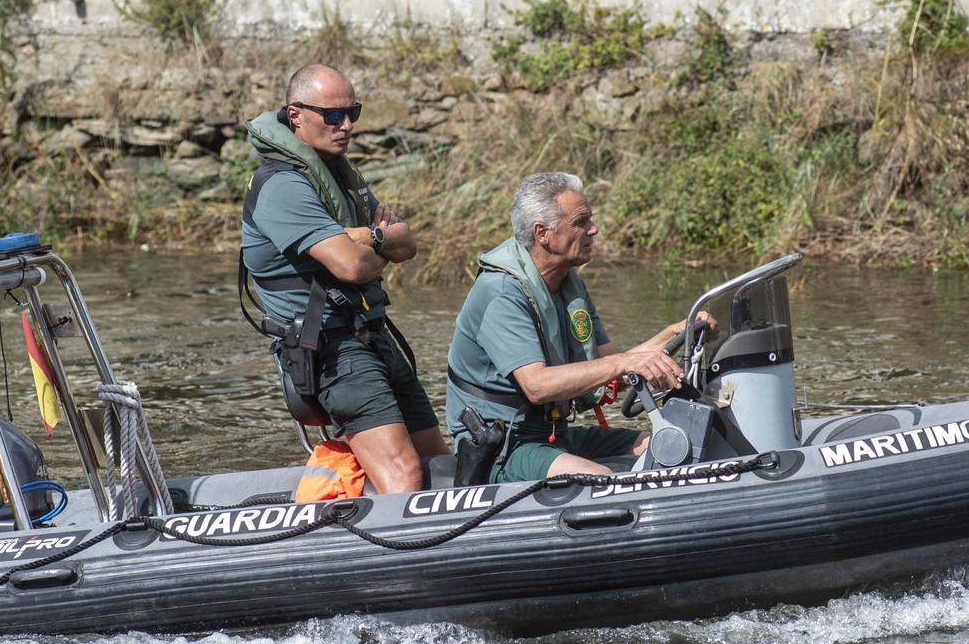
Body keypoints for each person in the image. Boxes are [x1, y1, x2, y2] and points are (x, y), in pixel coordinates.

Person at [240, 64, 446, 495]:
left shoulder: (339, 176)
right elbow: (354, 268)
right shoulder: (283, 186)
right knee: (405, 476)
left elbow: (406, 244)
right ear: (295, 115)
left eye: (353, 112)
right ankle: (402, 556)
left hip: (373, 337)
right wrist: (376, 241)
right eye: (333, 115)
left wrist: (365, 237)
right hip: (335, 354)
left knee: (438, 461)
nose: (347, 124)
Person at [445, 172, 701, 485]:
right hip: (503, 445)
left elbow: (611, 370)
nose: (594, 229)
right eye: (581, 222)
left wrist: (676, 333)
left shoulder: (567, 283)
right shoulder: (501, 291)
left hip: (554, 433)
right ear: (543, 233)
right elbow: (537, 386)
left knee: (662, 446)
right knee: (602, 481)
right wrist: (625, 362)